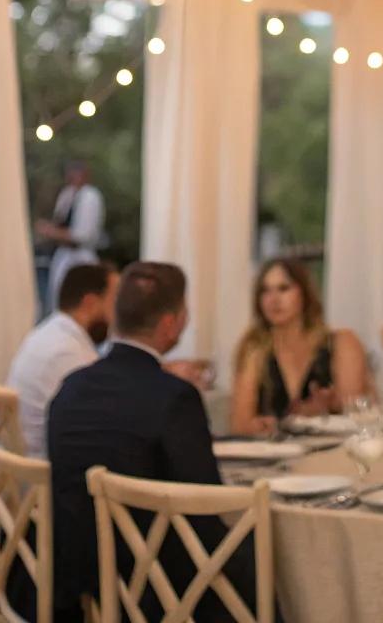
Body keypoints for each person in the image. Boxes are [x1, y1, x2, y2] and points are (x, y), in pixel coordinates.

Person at [48, 261, 265, 623]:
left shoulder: (71, 388)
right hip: (154, 587)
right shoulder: (174, 398)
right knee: (267, 550)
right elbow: (205, 507)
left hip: (81, 574)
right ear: (170, 324)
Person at [230, 258, 370, 434]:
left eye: (284, 288)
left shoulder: (341, 343)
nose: (274, 300)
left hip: (334, 451)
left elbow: (356, 413)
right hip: (273, 453)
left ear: (304, 293)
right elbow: (239, 425)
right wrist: (264, 426)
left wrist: (331, 406)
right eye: (265, 291)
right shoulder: (254, 348)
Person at [7, 261, 118, 458]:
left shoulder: (48, 333)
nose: (117, 316)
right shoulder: (68, 353)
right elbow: (101, 425)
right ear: (90, 303)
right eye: (114, 302)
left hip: (22, 466)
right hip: (44, 475)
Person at [36, 159, 107, 312]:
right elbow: (59, 220)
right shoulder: (67, 194)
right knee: (57, 299)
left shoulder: (90, 196)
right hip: (63, 256)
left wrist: (51, 232)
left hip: (80, 256)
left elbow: (82, 235)